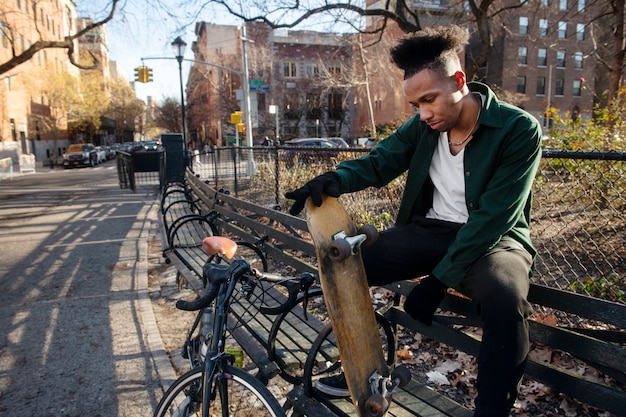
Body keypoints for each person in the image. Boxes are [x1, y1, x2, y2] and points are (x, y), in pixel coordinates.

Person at [285, 25, 542, 417]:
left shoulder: (518, 129)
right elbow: (380, 160)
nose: (423, 113)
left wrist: (437, 282)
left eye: (429, 100)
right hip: (431, 231)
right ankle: (360, 370)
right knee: (346, 267)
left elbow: (494, 217)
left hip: (495, 241)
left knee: (505, 297)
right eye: (415, 105)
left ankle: (492, 411)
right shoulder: (425, 126)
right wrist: (335, 179)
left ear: (459, 81)